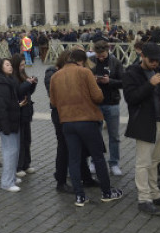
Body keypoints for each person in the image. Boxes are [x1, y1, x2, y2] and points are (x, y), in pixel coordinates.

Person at [50, 49, 123, 206]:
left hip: (67, 122)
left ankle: (79, 196)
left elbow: (54, 102)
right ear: (81, 61)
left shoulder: (55, 76)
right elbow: (98, 96)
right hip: (86, 120)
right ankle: (107, 192)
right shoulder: (84, 72)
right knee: (97, 157)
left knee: (74, 159)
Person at [122, 42, 160, 216]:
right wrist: (150, 84)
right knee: (143, 163)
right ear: (142, 56)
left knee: (155, 162)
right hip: (145, 123)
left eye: (157, 61)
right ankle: (144, 199)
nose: (155, 63)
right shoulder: (131, 73)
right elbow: (131, 98)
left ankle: (155, 194)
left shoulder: (157, 70)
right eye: (152, 60)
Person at [89, 40, 124, 176]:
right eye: (98, 55)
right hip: (95, 103)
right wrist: (92, 79)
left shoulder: (116, 62)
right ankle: (94, 162)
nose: (100, 58)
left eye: (103, 55)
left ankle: (114, 163)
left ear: (108, 50)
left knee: (114, 136)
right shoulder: (90, 61)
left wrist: (110, 81)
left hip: (112, 102)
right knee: (95, 135)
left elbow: (124, 82)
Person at [0, 58, 21, 191]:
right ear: (0, 67)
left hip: (12, 120)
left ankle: (11, 176)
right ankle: (7, 182)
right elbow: (1, 106)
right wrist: (5, 125)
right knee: (10, 151)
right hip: (7, 122)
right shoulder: (1, 85)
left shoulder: (9, 81)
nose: (10, 67)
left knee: (14, 151)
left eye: (10, 64)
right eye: (7, 65)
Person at [11, 53, 37, 177]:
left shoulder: (23, 74)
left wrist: (32, 83)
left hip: (26, 111)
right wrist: (27, 83)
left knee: (27, 139)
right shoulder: (13, 77)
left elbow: (28, 91)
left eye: (23, 65)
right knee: (20, 141)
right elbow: (19, 91)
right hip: (19, 112)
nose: (23, 67)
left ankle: (26, 164)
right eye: (21, 65)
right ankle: (18, 166)